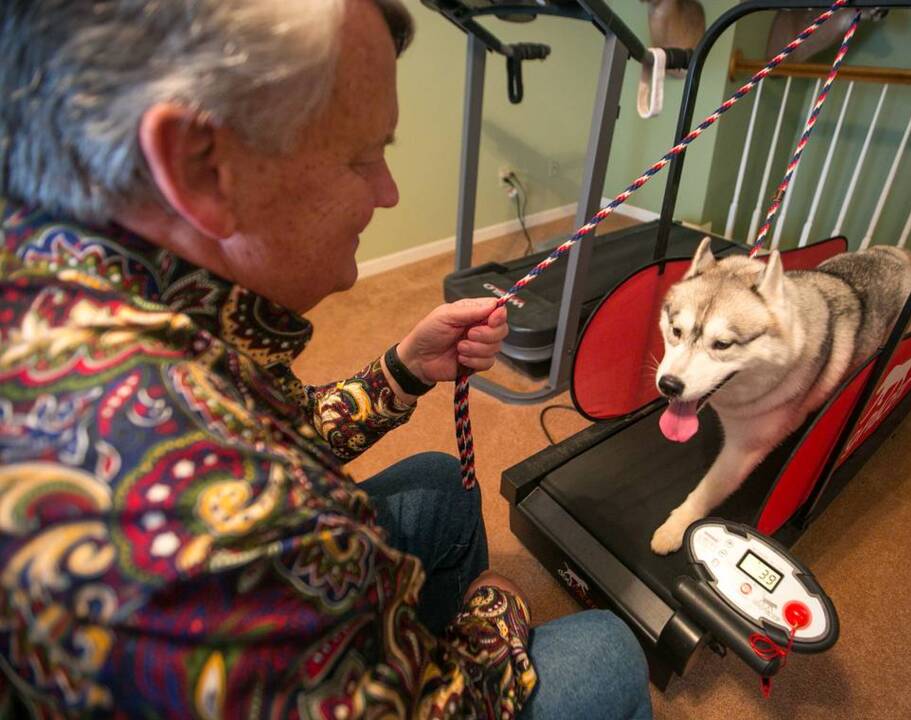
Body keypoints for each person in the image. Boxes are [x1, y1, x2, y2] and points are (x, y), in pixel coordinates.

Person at [0, 0, 653, 718]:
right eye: (361, 156)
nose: (388, 192)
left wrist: (401, 369)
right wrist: (492, 618)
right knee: (607, 650)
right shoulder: (230, 538)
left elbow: (267, 426)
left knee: (442, 485)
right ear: (199, 165)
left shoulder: (72, 281)